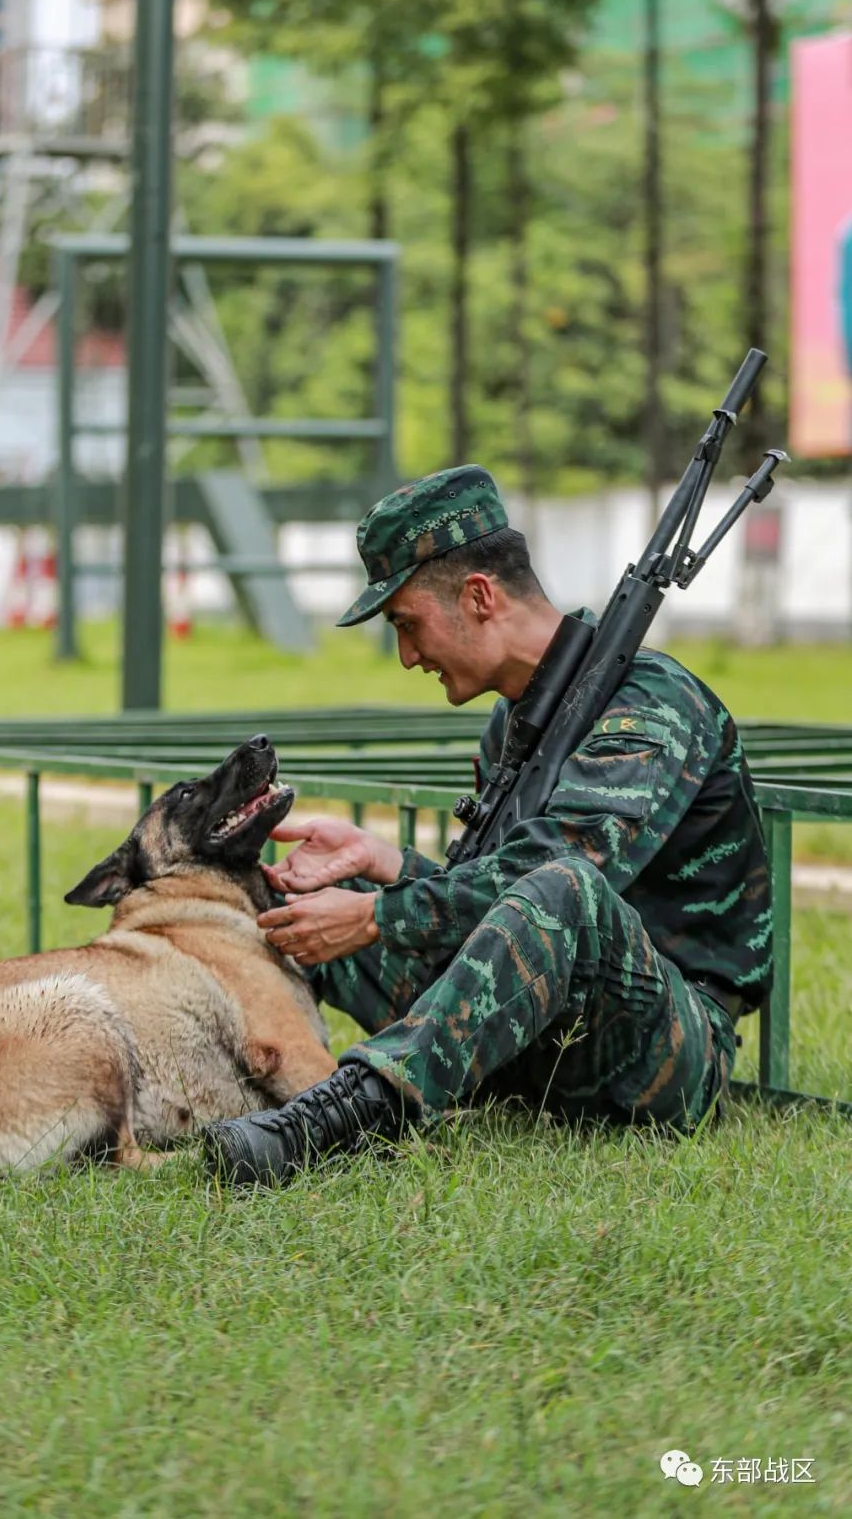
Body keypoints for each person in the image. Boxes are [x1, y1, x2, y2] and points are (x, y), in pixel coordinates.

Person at [202, 464, 773, 1187]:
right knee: (293, 909)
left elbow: (563, 888)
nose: (408, 656)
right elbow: (503, 914)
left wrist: (381, 913)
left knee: (564, 884)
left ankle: (349, 1116)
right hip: (542, 1036)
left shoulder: (651, 706)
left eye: (407, 625)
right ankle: (220, 1081)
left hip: (664, 1053)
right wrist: (386, 865)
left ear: (478, 596)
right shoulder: (515, 722)